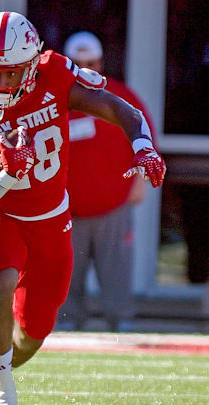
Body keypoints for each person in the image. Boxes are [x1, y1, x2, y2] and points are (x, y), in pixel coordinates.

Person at [0, 12, 165, 405]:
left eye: (12, 72)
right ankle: (3, 386)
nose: (2, 83)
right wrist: (5, 175)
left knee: (34, 333)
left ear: (33, 64)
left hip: (50, 219)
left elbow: (120, 108)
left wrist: (142, 146)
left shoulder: (54, 75)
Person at [58, 31, 155, 332]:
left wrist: (140, 181)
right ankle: (67, 325)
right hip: (66, 211)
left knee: (117, 274)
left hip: (114, 206)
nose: (86, 68)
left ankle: (121, 324)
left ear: (101, 62)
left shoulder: (121, 96)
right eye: (77, 63)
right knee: (65, 277)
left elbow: (145, 136)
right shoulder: (54, 100)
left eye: (91, 62)